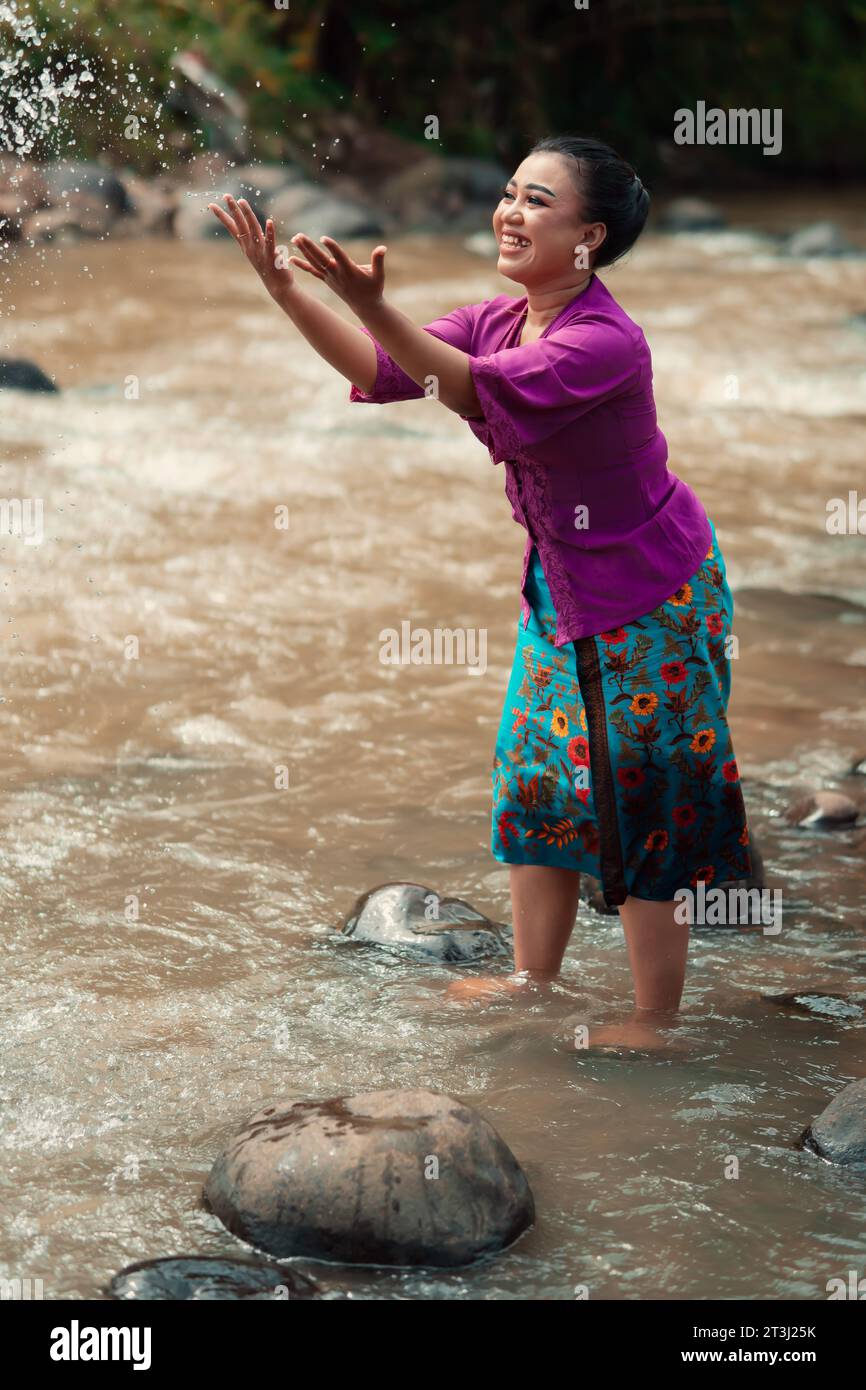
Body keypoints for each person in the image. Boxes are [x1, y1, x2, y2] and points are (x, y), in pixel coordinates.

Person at [209, 134, 752, 1049]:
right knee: (537, 782)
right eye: (508, 192)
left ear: (589, 236)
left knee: (644, 804)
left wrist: (372, 303)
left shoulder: (602, 342)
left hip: (652, 603)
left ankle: (657, 1019)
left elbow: (461, 390)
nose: (508, 211)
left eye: (537, 201)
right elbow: (388, 375)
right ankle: (534, 980)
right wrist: (286, 289)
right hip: (564, 595)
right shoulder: (506, 317)